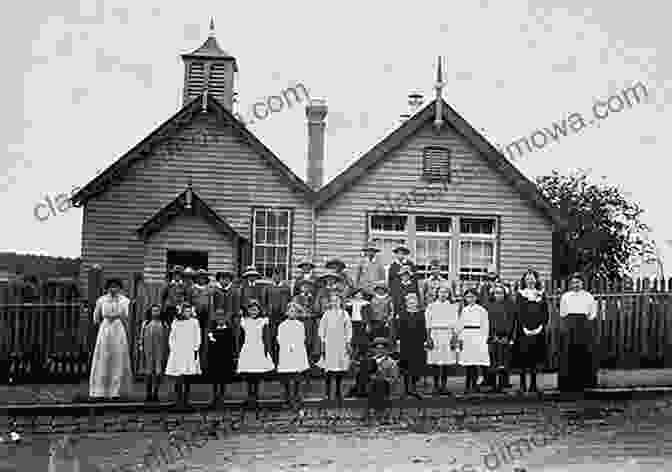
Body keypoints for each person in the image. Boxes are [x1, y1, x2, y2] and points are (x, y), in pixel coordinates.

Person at [89, 278, 133, 400]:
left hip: (118, 329)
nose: (113, 289)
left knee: (118, 357)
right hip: (105, 329)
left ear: (120, 288)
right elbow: (96, 317)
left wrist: (119, 319)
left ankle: (116, 391)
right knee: (103, 357)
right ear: (107, 288)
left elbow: (128, 315)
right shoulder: (101, 300)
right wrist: (104, 324)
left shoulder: (125, 301)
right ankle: (100, 390)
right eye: (111, 287)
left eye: (116, 287)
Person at [558, 272, 598, 392]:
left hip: (584, 328)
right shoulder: (565, 296)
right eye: (574, 282)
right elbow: (562, 313)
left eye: (578, 282)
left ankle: (585, 383)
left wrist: (584, 322)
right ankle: (568, 384)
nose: (576, 284)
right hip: (570, 328)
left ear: (582, 283)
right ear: (570, 284)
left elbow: (592, 314)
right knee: (569, 354)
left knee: (584, 353)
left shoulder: (588, 296)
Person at [512, 269, 549, 394]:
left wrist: (540, 327)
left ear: (536, 280)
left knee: (535, 359)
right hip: (523, 331)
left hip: (538, 331)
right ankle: (522, 385)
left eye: (532, 278)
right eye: (527, 278)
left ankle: (533, 385)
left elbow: (545, 312)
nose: (530, 280)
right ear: (524, 280)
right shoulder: (520, 294)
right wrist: (524, 328)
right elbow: (518, 313)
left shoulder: (541, 294)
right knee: (523, 359)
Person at [237, 299, 275, 404]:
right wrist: (239, 351)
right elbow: (240, 338)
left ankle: (256, 395)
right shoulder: (244, 321)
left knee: (257, 373)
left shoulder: (263, 321)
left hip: (259, 347)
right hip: (248, 348)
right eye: (251, 310)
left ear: (259, 311)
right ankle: (249, 395)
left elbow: (266, 337)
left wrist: (267, 350)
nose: (253, 312)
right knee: (249, 373)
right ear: (248, 311)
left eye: (255, 310)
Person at [425, 283, 459, 395]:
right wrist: (428, 337)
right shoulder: (431, 306)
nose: (443, 294)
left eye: (446, 292)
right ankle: (435, 385)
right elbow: (428, 323)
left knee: (446, 361)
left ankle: (444, 386)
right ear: (437, 293)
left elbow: (455, 323)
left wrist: (454, 337)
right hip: (435, 334)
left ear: (449, 294)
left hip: (448, 334)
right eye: (441, 292)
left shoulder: (452, 307)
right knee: (435, 361)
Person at [318, 292, 352, 402]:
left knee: (339, 368)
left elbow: (348, 329)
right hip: (330, 343)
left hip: (341, 343)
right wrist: (323, 341)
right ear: (330, 303)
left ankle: (338, 391)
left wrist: (347, 341)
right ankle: (327, 392)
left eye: (337, 301)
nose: (335, 303)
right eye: (333, 301)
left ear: (340, 302)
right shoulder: (327, 314)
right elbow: (322, 328)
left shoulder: (344, 314)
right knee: (329, 368)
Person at [165, 303, 201, 407]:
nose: (187, 313)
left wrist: (195, 348)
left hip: (189, 351)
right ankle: (178, 399)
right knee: (178, 376)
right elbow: (172, 336)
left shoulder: (194, 322)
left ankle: (186, 399)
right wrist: (173, 348)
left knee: (188, 376)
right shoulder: (176, 322)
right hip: (178, 351)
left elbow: (197, 336)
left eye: (189, 311)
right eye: (186, 311)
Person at [276, 301, 310, 407]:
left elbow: (302, 338)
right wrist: (287, 346)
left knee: (297, 376)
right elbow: (280, 338)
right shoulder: (282, 325)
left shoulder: (300, 325)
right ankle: (287, 396)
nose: (292, 313)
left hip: (297, 352)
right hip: (286, 352)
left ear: (297, 313)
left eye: (294, 312)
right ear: (287, 313)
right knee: (286, 376)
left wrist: (295, 347)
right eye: (290, 311)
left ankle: (296, 396)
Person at [208, 305, 241, 405]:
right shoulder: (212, 329)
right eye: (218, 316)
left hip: (225, 357)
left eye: (222, 316)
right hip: (215, 357)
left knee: (223, 378)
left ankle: (221, 396)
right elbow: (209, 345)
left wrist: (234, 356)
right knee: (215, 378)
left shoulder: (229, 330)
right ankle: (214, 396)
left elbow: (232, 344)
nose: (220, 318)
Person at [458, 288, 490, 394]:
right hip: (467, 337)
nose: (470, 299)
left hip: (478, 337)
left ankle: (475, 385)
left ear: (476, 298)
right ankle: (467, 385)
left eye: (472, 297)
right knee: (468, 363)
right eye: (468, 297)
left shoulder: (481, 310)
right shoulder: (464, 310)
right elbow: (461, 325)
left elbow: (485, 325)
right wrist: (460, 338)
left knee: (476, 362)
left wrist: (484, 339)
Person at [485, 284, 516, 392]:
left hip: (505, 337)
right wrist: (492, 336)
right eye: (496, 293)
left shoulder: (510, 306)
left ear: (505, 294)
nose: (498, 295)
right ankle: (493, 385)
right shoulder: (488, 306)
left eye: (501, 293)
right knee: (493, 361)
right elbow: (486, 322)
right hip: (493, 337)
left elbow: (512, 322)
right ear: (493, 294)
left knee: (504, 361)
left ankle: (503, 384)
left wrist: (509, 336)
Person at [396, 293, 427, 399]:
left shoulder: (421, 314)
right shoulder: (402, 314)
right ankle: (406, 390)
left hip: (418, 343)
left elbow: (424, 328)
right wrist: (398, 341)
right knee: (406, 366)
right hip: (406, 343)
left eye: (414, 301)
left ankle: (414, 388)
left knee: (416, 366)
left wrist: (424, 340)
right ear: (406, 303)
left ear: (417, 303)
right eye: (410, 301)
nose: (412, 303)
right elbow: (399, 329)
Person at [364, 337, 399, 422]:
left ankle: (378, 414)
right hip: (372, 386)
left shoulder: (391, 362)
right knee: (374, 384)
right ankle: (375, 414)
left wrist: (384, 379)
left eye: (382, 348)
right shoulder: (371, 361)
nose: (379, 351)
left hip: (385, 387)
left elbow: (394, 379)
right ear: (374, 350)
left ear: (386, 350)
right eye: (377, 348)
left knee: (379, 383)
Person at [345, 288, 372, 397]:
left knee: (362, 342)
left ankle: (361, 357)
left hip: (361, 323)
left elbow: (368, 316)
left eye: (360, 294)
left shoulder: (366, 304)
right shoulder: (349, 303)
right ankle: (353, 361)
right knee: (352, 341)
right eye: (357, 294)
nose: (358, 296)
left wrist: (368, 324)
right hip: (352, 323)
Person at [139, 304, 169, 402]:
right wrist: (141, 346)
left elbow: (168, 337)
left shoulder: (164, 324)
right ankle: (148, 394)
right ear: (150, 312)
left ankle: (155, 393)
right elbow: (141, 336)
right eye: (154, 310)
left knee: (158, 371)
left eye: (157, 310)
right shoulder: (146, 323)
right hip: (148, 350)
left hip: (160, 350)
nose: (155, 312)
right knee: (148, 371)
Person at [266, 267, 292, 365]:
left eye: (279, 275)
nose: (276, 277)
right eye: (274, 275)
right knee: (272, 339)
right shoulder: (268, 288)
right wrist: (267, 312)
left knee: (283, 339)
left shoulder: (286, 288)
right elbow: (264, 302)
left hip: (283, 316)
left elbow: (289, 302)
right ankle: (272, 362)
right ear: (272, 276)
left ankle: (283, 361)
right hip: (271, 316)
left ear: (282, 276)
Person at [292, 279, 318, 366]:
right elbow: (294, 309)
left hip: (310, 322)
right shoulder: (296, 298)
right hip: (300, 321)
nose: (306, 288)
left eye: (308, 286)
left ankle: (309, 363)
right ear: (300, 288)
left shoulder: (314, 298)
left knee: (309, 341)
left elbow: (316, 309)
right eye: (304, 286)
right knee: (299, 341)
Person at [190, 269, 212, 374]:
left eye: (203, 277)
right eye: (199, 277)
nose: (201, 279)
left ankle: (204, 366)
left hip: (206, 318)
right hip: (195, 318)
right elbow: (188, 303)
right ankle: (193, 365)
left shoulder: (209, 290)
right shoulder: (192, 289)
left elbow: (211, 304)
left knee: (205, 341)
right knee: (194, 340)